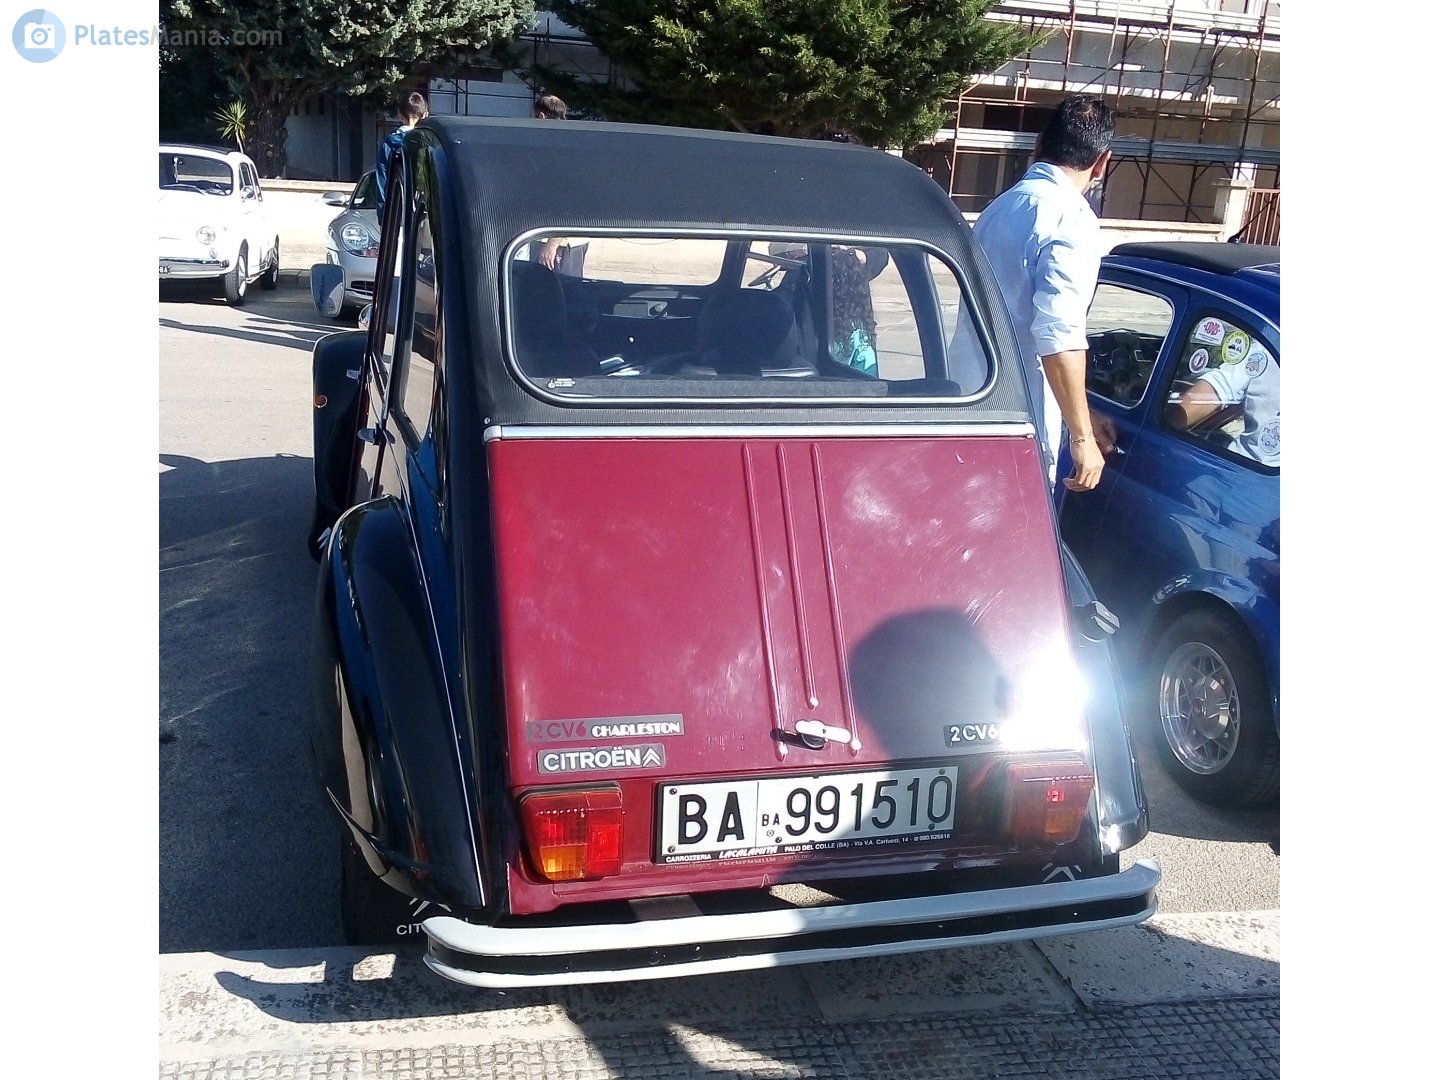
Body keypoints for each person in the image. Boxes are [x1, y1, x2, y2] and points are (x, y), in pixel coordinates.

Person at [973, 95, 1115, 492]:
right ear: (1102, 161)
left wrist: (1083, 411)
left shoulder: (1000, 206)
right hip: (1024, 415)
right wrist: (1082, 438)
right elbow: (1058, 335)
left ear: (1038, 146)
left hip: (974, 395)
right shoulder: (1072, 219)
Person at [530, 93, 578, 272]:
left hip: (555, 241)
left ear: (541, 116)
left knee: (551, 294)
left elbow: (567, 199)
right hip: (571, 240)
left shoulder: (556, 151)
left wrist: (551, 245)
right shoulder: (571, 144)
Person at [375, 90, 429, 220]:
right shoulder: (431, 145)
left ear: (400, 115)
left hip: (395, 215)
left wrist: (383, 217)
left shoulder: (388, 144)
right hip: (424, 217)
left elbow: (381, 181)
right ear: (425, 115)